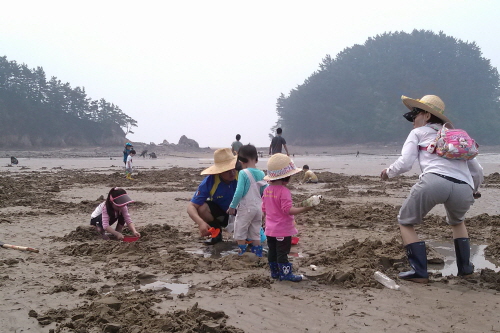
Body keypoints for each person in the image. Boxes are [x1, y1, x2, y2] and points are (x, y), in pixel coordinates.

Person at [380, 95, 484, 283]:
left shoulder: (418, 133)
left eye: (414, 114)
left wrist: (388, 172)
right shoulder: (456, 137)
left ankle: (419, 272)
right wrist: (474, 189)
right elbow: (477, 170)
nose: (412, 120)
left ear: (427, 115)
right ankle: (466, 270)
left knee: (405, 221)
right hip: (464, 187)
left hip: (434, 181)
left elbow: (405, 163)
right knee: (457, 222)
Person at [262, 153, 314, 281]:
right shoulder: (284, 191)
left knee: (272, 251)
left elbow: (264, 209)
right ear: (287, 177)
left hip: (269, 229)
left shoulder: (267, 190)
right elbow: (288, 210)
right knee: (282, 252)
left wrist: (265, 222)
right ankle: (286, 274)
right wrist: (305, 208)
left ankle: (274, 272)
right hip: (282, 230)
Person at [187, 148, 238, 245]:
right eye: (227, 170)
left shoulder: (242, 175)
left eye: (233, 168)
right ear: (219, 171)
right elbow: (191, 207)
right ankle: (217, 234)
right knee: (202, 208)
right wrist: (200, 223)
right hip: (223, 215)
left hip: (243, 213)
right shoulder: (210, 182)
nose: (232, 173)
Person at [227, 144, 267, 257]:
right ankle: (258, 254)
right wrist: (264, 208)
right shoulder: (261, 173)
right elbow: (265, 192)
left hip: (246, 208)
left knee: (240, 230)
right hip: (258, 208)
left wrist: (233, 206)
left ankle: (242, 253)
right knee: (255, 232)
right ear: (257, 159)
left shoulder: (243, 173)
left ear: (241, 161)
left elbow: (239, 192)